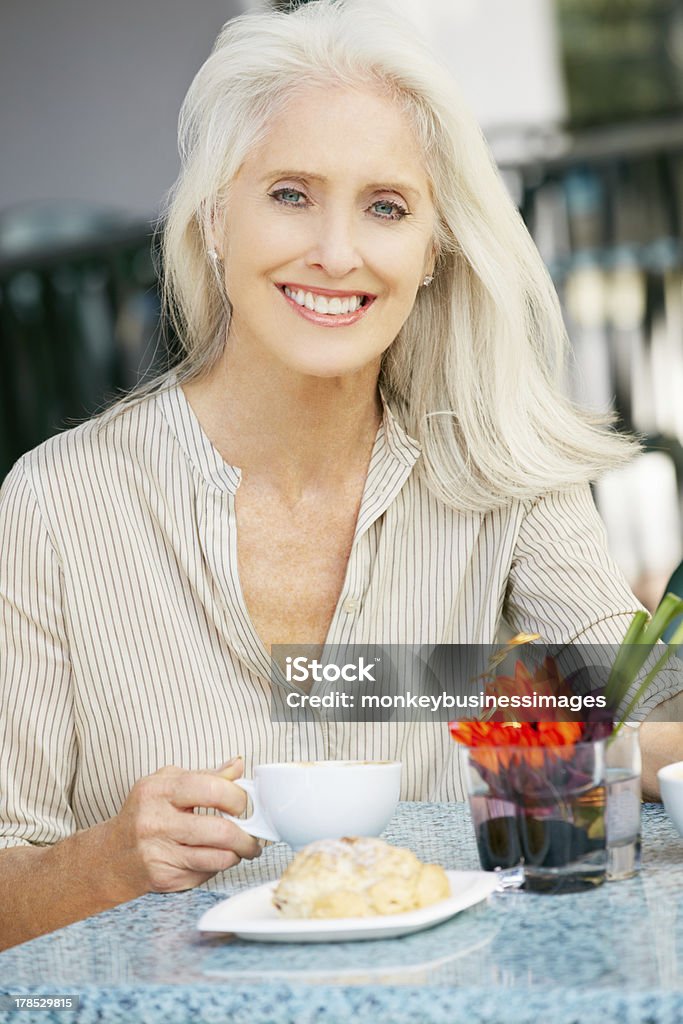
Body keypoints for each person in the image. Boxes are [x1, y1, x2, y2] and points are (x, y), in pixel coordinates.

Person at [1, 0, 681, 950]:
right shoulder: (54, 505)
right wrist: (108, 859)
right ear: (211, 217)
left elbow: (646, 715)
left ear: (433, 251)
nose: (336, 251)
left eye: (386, 207)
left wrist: (480, 699)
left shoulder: (500, 473)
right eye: (289, 193)